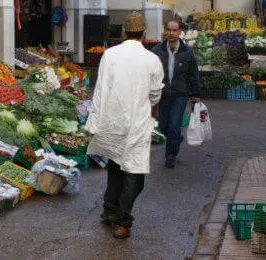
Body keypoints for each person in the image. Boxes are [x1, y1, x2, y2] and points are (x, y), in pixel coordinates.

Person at [86, 12, 165, 239]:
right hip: (136, 125)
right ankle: (122, 221)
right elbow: (155, 95)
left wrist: (95, 121)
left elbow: (100, 89)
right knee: (134, 174)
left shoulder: (110, 55)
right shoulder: (152, 59)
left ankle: (109, 211)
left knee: (115, 168)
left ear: (123, 32)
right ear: (144, 33)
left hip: (112, 122)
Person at [151, 19, 201, 169]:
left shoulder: (187, 52)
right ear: (165, 31)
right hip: (163, 93)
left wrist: (195, 94)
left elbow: (193, 74)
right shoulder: (157, 51)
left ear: (180, 32)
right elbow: (151, 73)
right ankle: (176, 138)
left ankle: (170, 155)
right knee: (164, 126)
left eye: (174, 31)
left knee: (174, 124)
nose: (171, 33)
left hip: (180, 94)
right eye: (169, 30)